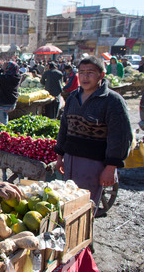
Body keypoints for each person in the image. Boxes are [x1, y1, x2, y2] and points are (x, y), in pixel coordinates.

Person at [54, 56, 133, 215]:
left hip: (93, 165)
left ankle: (86, 240)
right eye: (81, 72)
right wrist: (60, 156)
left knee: (84, 210)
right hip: (70, 160)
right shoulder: (73, 98)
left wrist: (111, 167)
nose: (85, 77)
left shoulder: (112, 101)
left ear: (101, 75)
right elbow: (64, 128)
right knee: (66, 206)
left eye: (90, 72)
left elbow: (120, 137)